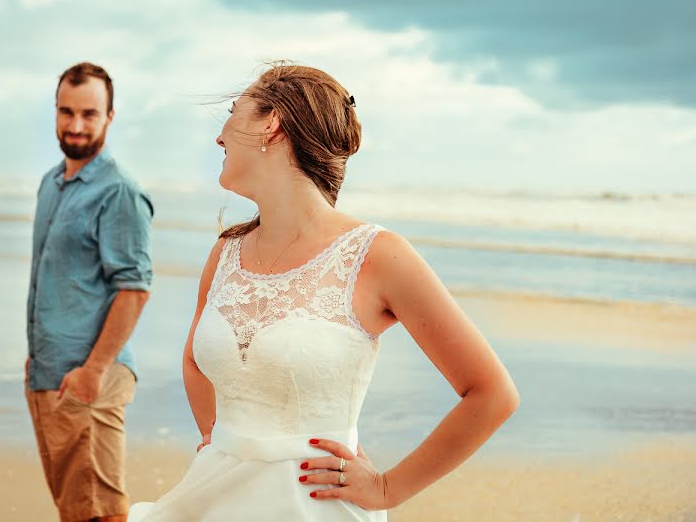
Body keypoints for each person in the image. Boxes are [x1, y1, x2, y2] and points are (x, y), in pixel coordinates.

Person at [128, 63, 520, 521]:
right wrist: (227, 444)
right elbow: (196, 359)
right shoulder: (226, 251)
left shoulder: (378, 255)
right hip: (214, 498)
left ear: (270, 124)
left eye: (234, 113)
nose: (219, 138)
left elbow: (492, 393)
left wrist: (387, 487)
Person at [26, 62, 154, 522]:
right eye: (66, 112)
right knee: (74, 510)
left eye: (89, 114)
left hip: (89, 380)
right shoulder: (51, 183)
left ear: (110, 116)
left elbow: (134, 289)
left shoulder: (118, 192)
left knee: (100, 514)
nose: (75, 126)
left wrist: (92, 371)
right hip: (48, 376)